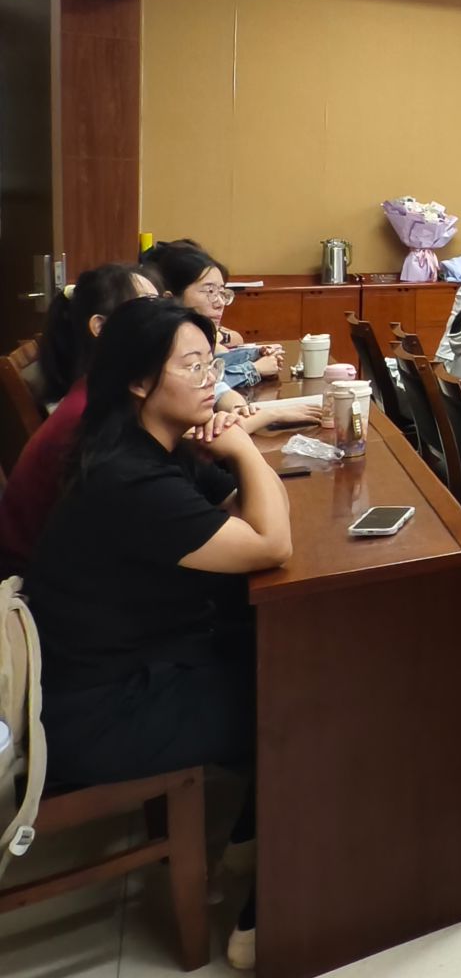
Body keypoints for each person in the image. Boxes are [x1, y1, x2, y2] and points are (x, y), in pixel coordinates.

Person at [29, 298, 297, 971]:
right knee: (301, 703)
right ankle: (274, 914)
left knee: (291, 654)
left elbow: (233, 517)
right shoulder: (129, 477)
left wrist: (235, 452)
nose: (212, 379)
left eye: (212, 362)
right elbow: (271, 542)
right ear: (139, 381)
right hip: (98, 710)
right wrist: (243, 447)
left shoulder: (146, 444)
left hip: (135, 659)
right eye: (193, 365)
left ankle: (249, 840)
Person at [0, 264, 159, 575]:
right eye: (148, 309)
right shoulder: (92, 413)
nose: (168, 321)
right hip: (41, 581)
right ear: (100, 326)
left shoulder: (100, 390)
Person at [144, 241, 279, 393]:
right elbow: (201, 383)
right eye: (209, 291)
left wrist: (255, 354)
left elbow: (218, 360)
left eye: (221, 292)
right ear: (170, 298)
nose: (220, 303)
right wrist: (254, 369)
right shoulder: (164, 344)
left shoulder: (198, 337)